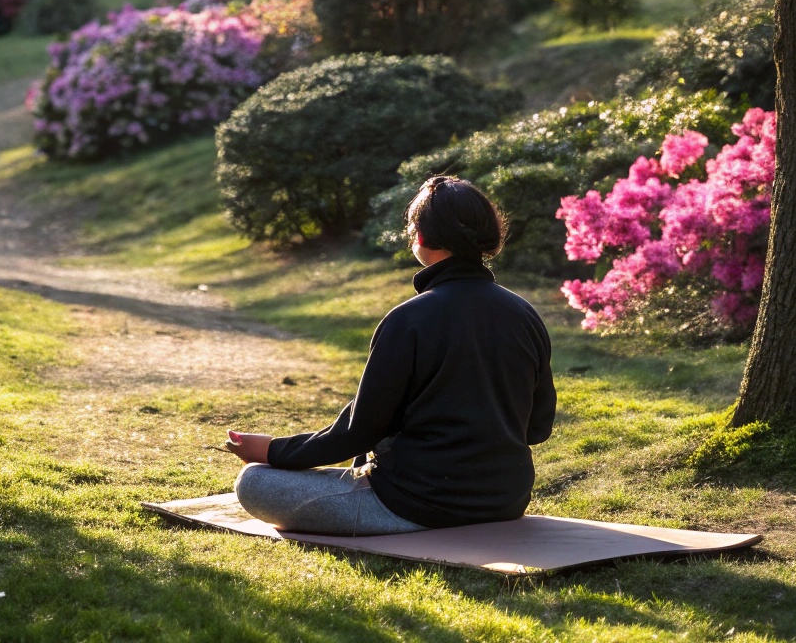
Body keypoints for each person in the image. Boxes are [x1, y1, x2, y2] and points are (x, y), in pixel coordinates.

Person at [223, 175, 556, 535]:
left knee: (255, 481)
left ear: (422, 237)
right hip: (504, 501)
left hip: (419, 503)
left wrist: (273, 451)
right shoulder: (524, 314)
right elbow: (537, 428)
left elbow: (356, 434)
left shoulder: (409, 319)